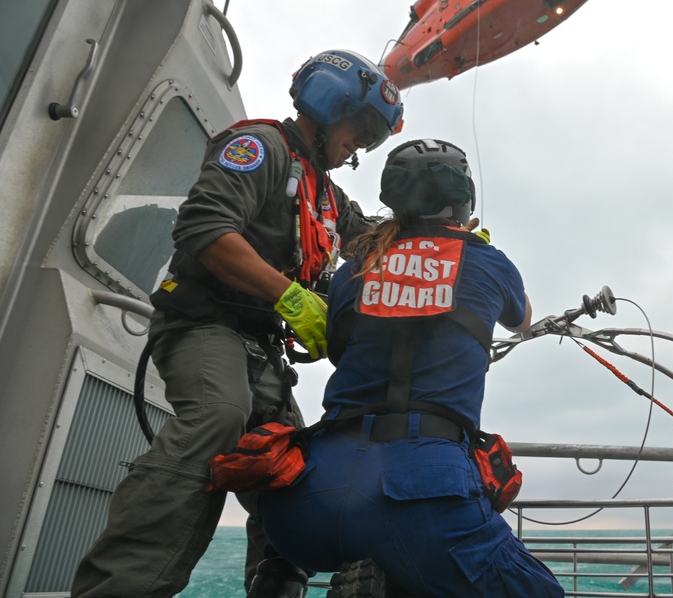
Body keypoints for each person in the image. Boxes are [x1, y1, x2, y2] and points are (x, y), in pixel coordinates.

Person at [71, 49, 403, 598]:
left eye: (371, 137)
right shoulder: (259, 148)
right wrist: (293, 298)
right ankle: (118, 587)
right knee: (219, 416)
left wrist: (436, 235)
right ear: (327, 104)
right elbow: (204, 231)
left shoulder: (325, 192)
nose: (360, 146)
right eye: (361, 127)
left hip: (259, 348)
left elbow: (366, 241)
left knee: (296, 463)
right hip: (203, 323)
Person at [254, 138, 565, 598]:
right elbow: (523, 321)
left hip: (302, 507)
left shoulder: (357, 262)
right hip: (422, 496)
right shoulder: (488, 261)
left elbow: (339, 349)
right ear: (463, 200)